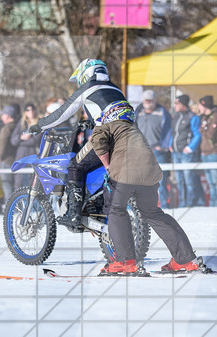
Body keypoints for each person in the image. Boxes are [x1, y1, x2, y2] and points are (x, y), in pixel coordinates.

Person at [33, 58, 207, 275]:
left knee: (82, 174)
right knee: (152, 212)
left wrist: (39, 125)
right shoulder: (116, 90)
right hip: (143, 150)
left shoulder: (88, 89)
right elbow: (118, 116)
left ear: (85, 75)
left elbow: (63, 113)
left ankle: (77, 217)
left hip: (119, 151)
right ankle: (186, 259)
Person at [134, 90, 173, 207]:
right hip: (140, 152)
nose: (148, 102)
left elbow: (169, 130)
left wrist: (164, 145)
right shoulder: (137, 112)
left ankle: (165, 205)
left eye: (150, 100)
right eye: (146, 100)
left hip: (158, 152)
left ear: (155, 100)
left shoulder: (162, 113)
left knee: (160, 181)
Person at [170, 94, 203, 207]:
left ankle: (190, 203)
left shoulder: (192, 117)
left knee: (189, 180)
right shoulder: (176, 116)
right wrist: (170, 144)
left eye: (177, 103)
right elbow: (173, 133)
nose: (175, 105)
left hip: (186, 154)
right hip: (175, 153)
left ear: (183, 104)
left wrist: (190, 148)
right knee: (179, 180)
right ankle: (182, 204)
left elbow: (197, 135)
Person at [197, 96, 217, 207]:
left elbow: (211, 134)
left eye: (200, 105)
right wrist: (204, 128)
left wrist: (204, 128)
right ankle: (213, 205)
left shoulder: (216, 115)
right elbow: (202, 130)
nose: (198, 107)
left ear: (205, 105)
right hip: (205, 153)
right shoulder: (205, 117)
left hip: (215, 153)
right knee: (211, 182)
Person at [0, 104, 20, 203]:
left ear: (8, 116)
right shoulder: (19, 125)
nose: (2, 117)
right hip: (17, 159)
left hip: (6, 160)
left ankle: (9, 206)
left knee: (6, 184)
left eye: (3, 114)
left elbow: (2, 142)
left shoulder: (7, 128)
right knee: (16, 185)